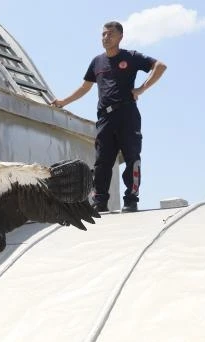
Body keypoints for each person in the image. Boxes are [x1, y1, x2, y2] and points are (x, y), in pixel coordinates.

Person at [52, 21, 167, 212]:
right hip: (104, 118)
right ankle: (100, 201)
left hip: (127, 113)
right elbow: (85, 87)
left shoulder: (131, 56)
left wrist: (141, 89)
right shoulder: (97, 62)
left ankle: (131, 199)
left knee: (132, 157)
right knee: (102, 161)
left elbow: (160, 66)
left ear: (120, 36)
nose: (106, 38)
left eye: (110, 34)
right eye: (103, 34)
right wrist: (63, 102)